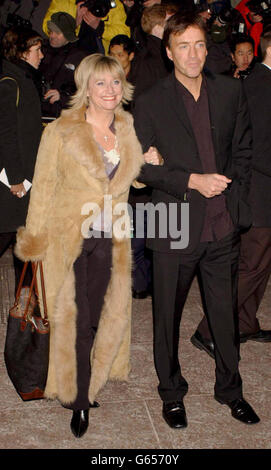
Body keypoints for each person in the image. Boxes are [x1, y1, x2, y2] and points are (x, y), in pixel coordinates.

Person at [15, 53, 158, 438]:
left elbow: (129, 179)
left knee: (98, 317)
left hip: (113, 241)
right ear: (86, 89)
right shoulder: (60, 132)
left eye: (115, 82)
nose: (109, 90)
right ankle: (78, 399)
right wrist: (34, 242)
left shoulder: (127, 126)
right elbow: (42, 189)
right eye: (100, 83)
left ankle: (89, 374)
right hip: (70, 240)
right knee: (75, 320)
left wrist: (148, 163)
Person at [133, 11, 260, 428]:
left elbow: (243, 150)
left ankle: (231, 389)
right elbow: (140, 169)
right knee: (166, 319)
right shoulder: (150, 99)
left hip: (222, 225)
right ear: (169, 52)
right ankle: (171, 392)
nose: (193, 53)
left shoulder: (229, 92)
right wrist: (191, 180)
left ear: (208, 48)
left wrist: (235, 202)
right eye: (183, 46)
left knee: (224, 316)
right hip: (169, 222)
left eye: (200, 44)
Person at [192, 29, 271, 353]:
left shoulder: (260, 82)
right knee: (253, 262)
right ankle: (208, 328)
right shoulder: (260, 86)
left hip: (262, 188)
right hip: (258, 191)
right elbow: (254, 148)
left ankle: (245, 322)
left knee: (261, 263)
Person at [0, 27, 43, 292]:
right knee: (10, 233)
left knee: (22, 241)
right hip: (13, 183)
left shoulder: (21, 77)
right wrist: (16, 179)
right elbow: (5, 133)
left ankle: (25, 304)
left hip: (23, 179)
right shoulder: (10, 82)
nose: (42, 55)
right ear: (24, 52)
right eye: (38, 50)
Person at [39, 12, 87, 123]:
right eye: (51, 31)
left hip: (65, 118)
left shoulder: (80, 57)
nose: (52, 36)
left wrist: (62, 97)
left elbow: (87, 93)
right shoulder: (40, 50)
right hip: (39, 113)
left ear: (68, 35)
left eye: (57, 33)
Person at [42, 0, 130, 55]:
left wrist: (101, 28)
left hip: (99, 63)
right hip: (66, 58)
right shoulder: (63, 2)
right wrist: (74, 23)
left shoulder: (113, 4)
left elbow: (125, 36)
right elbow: (47, 27)